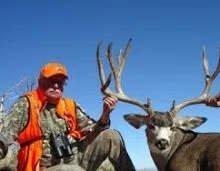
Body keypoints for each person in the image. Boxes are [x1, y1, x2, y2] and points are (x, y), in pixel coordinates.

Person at [0, 62, 135, 171]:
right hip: (41, 168)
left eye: (61, 82)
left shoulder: (70, 105)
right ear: (40, 81)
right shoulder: (27, 104)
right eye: (51, 81)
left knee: (111, 136)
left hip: (74, 162)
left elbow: (92, 131)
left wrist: (105, 114)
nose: (56, 85)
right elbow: (2, 139)